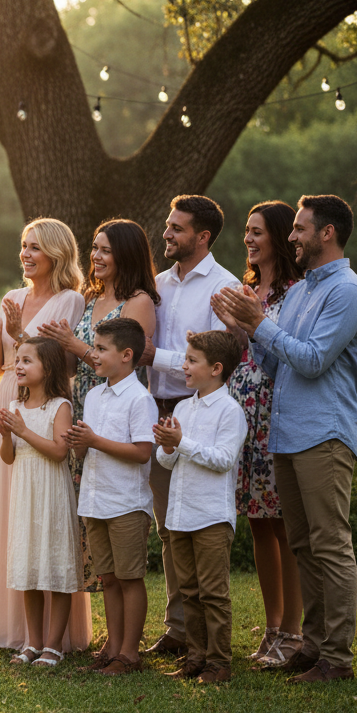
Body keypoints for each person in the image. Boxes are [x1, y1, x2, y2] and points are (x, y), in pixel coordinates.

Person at [213, 194, 357, 685]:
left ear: (327, 233)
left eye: (300, 228)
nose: (292, 236)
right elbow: (274, 363)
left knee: (330, 544)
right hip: (285, 433)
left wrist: (260, 324)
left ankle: (338, 660)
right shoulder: (302, 291)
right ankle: (314, 645)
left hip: (324, 433)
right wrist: (244, 329)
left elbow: (312, 360)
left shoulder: (346, 292)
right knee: (303, 544)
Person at [0, 218, 90, 653]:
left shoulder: (71, 300)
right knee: (12, 513)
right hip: (10, 401)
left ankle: (55, 638)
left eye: (35, 247)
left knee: (46, 519)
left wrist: (18, 334)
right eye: (23, 245)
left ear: (56, 253)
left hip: (44, 407)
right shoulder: (13, 297)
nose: (26, 254)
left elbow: (63, 365)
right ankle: (13, 629)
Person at [139, 195, 242, 659]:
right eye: (167, 225)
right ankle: (179, 627)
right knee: (168, 525)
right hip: (159, 411)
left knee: (197, 520)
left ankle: (201, 636)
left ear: (202, 237)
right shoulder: (158, 284)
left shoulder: (224, 287)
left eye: (177, 228)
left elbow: (216, 354)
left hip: (198, 411)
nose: (167, 234)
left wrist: (149, 356)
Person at [37, 218, 157, 597]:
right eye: (95, 248)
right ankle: (103, 618)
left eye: (106, 250)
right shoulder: (89, 299)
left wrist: (76, 346)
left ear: (125, 254)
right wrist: (54, 348)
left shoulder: (138, 302)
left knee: (112, 500)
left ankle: (121, 632)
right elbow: (73, 366)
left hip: (119, 408)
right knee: (87, 505)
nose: (96, 256)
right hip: (86, 403)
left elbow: (128, 361)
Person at [226, 201, 305, 667]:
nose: (249, 241)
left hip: (276, 408)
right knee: (257, 520)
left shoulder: (297, 291)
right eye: (247, 233)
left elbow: (284, 351)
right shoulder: (249, 288)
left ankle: (293, 632)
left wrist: (255, 320)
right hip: (244, 409)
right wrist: (233, 325)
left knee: (282, 523)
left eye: (257, 232)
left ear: (277, 236)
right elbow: (242, 351)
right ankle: (272, 626)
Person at [153, 331, 248, 684]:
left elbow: (223, 460)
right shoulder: (182, 408)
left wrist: (182, 442)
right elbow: (168, 463)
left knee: (213, 593)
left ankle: (219, 662)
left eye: (192, 360)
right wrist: (166, 446)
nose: (184, 366)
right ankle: (195, 656)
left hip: (211, 517)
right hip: (180, 514)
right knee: (188, 591)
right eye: (185, 358)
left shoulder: (230, 411)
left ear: (216, 368)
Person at [65, 317, 158, 677]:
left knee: (130, 578)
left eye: (101, 349)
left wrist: (94, 442)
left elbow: (141, 452)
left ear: (126, 355)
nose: (94, 354)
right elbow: (89, 450)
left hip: (126, 503)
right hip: (95, 499)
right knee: (108, 579)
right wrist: (79, 446)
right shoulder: (93, 395)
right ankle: (114, 649)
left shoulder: (140, 399)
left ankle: (130, 654)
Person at [0, 337, 82, 668]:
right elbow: (9, 457)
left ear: (48, 369)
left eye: (27, 360)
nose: (18, 365)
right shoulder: (15, 408)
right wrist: (6, 434)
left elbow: (60, 452)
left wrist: (23, 431)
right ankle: (33, 642)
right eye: (18, 360)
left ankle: (54, 645)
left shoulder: (60, 406)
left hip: (52, 495)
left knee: (55, 568)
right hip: (25, 496)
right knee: (29, 569)